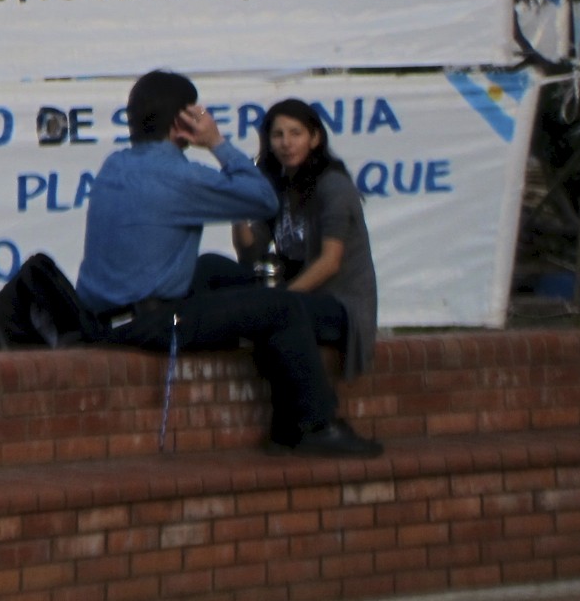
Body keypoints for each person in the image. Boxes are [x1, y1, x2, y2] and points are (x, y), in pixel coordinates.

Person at [75, 70, 381, 457]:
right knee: (280, 306)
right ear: (182, 123)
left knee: (213, 269)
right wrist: (216, 141)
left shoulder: (113, 166)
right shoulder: (181, 176)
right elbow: (263, 198)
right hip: (158, 324)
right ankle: (313, 425)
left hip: (108, 319)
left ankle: (286, 388)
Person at [233, 98, 379, 380]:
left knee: (272, 317)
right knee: (214, 269)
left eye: (295, 133)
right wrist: (238, 210)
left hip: (340, 306)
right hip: (298, 300)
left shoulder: (333, 186)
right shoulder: (277, 188)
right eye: (278, 135)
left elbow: (330, 262)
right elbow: (250, 255)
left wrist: (281, 300)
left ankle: (318, 417)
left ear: (314, 138)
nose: (286, 143)